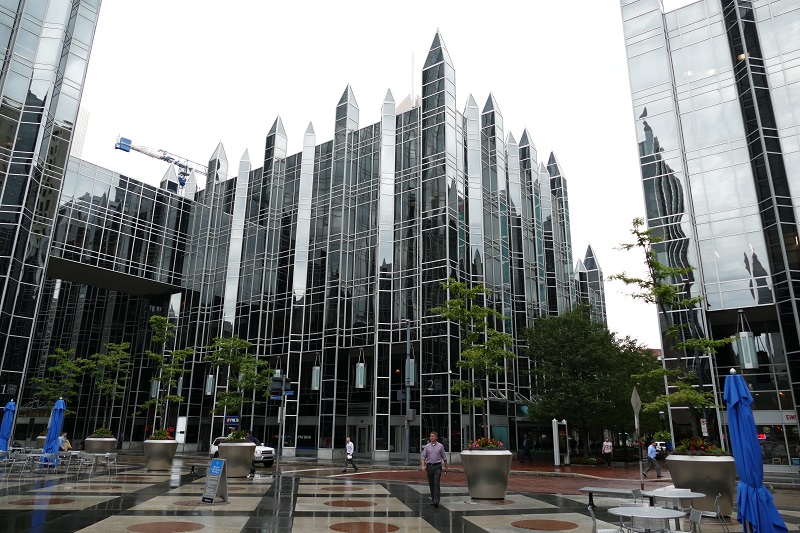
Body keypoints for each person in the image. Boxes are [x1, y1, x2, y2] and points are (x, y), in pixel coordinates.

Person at [421, 431, 448, 508]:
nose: (432, 438)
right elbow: (423, 457)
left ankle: (436, 500)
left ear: (436, 437)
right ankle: (433, 499)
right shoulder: (427, 446)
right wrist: (423, 466)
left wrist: (446, 467)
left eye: (433, 436)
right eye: (431, 436)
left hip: (437, 466)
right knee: (431, 483)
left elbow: (444, 457)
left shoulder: (440, 446)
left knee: (436, 482)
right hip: (429, 466)